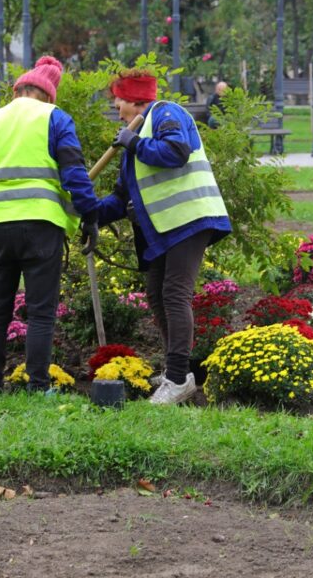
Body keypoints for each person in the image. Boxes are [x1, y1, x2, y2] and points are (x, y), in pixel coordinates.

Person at [0, 56, 100, 393]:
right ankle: (38, 386)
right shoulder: (55, 118)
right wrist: (89, 216)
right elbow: (74, 173)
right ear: (48, 96)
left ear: (16, 91)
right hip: (41, 224)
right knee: (41, 312)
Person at [96, 68, 232, 405]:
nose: (116, 108)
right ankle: (180, 373)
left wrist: (135, 142)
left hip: (191, 219)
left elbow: (175, 152)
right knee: (157, 294)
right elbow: (118, 198)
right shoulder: (134, 140)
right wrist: (86, 213)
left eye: (120, 102)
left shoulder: (165, 112)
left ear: (137, 100)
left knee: (174, 293)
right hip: (166, 229)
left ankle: (175, 378)